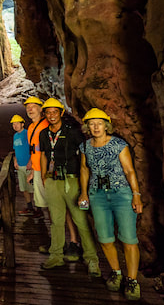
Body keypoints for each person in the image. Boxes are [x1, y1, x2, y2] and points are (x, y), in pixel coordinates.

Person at [78, 108, 144, 300]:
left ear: (106, 125)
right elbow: (84, 169)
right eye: (91, 124)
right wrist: (84, 192)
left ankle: (132, 280)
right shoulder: (85, 146)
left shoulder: (118, 144)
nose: (96, 127)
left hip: (121, 194)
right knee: (105, 238)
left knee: (129, 239)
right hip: (97, 195)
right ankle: (116, 272)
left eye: (99, 123)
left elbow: (129, 170)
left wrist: (136, 195)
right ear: (87, 126)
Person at [38, 98, 100, 277]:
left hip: (71, 181)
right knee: (56, 222)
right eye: (48, 112)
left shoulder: (73, 132)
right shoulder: (44, 134)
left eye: (54, 112)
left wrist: (83, 185)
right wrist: (43, 176)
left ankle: (91, 259)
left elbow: (83, 156)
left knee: (80, 220)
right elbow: (43, 155)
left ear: (61, 113)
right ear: (45, 114)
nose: (51, 115)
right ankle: (56, 255)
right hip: (52, 181)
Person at [24, 96, 82, 259]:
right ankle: (58, 241)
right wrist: (33, 171)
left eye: (33, 106)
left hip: (55, 173)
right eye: (27, 106)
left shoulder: (47, 125)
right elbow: (37, 151)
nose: (30, 109)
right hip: (39, 172)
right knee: (49, 208)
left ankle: (73, 241)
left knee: (65, 208)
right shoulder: (31, 128)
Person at [10, 114, 35, 215]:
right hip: (20, 166)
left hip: (29, 166)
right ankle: (30, 207)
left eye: (17, 123)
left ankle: (39, 209)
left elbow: (33, 148)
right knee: (24, 188)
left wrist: (31, 162)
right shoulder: (15, 136)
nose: (15, 126)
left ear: (22, 124)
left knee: (34, 188)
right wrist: (15, 161)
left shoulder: (27, 133)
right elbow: (15, 150)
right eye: (13, 124)